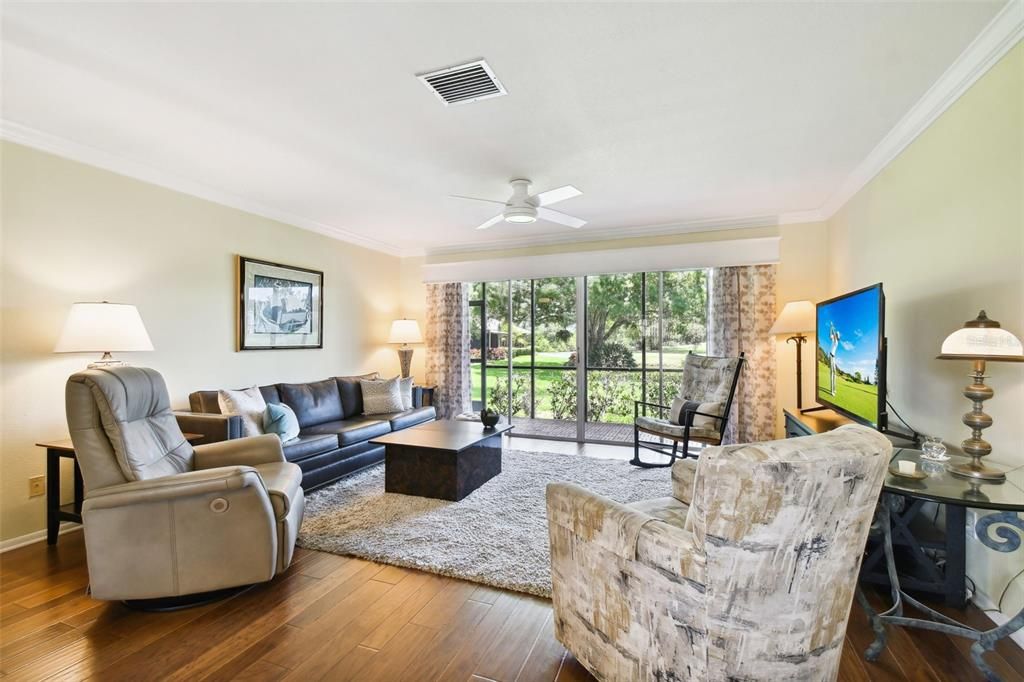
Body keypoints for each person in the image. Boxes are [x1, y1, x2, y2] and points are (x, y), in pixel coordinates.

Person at [829, 322, 840, 396]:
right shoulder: (833, 340)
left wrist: (832, 327)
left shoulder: (836, 342)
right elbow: (831, 335)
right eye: (836, 335)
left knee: (834, 373)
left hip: (834, 357)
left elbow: (833, 335)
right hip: (831, 356)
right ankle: (832, 391)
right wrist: (831, 328)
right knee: (832, 373)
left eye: (837, 335)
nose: (836, 336)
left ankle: (834, 389)